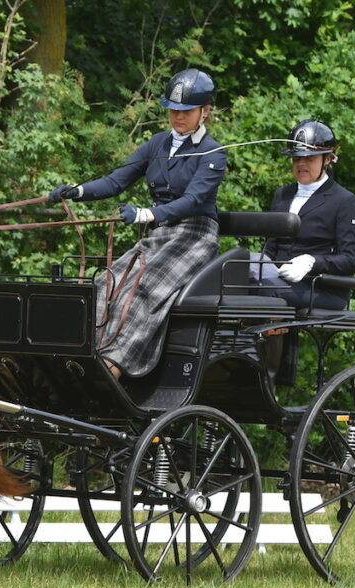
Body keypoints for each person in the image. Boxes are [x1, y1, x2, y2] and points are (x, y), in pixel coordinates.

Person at [48, 68, 226, 379]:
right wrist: (78, 191)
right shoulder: (157, 145)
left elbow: (193, 200)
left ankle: (114, 366)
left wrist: (147, 214)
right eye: (173, 110)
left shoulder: (213, 153)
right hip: (159, 234)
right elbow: (116, 181)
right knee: (106, 284)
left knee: (144, 288)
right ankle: (86, 356)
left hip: (194, 235)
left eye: (186, 111)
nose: (178, 117)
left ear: (205, 111)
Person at [250, 120, 355, 310]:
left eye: (309, 159)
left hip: (319, 287)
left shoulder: (344, 201)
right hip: (278, 279)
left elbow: (349, 260)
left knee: (265, 290)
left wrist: (312, 262)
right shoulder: (282, 195)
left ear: (327, 159)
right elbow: (270, 247)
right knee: (234, 279)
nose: (301, 164)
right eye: (296, 159)